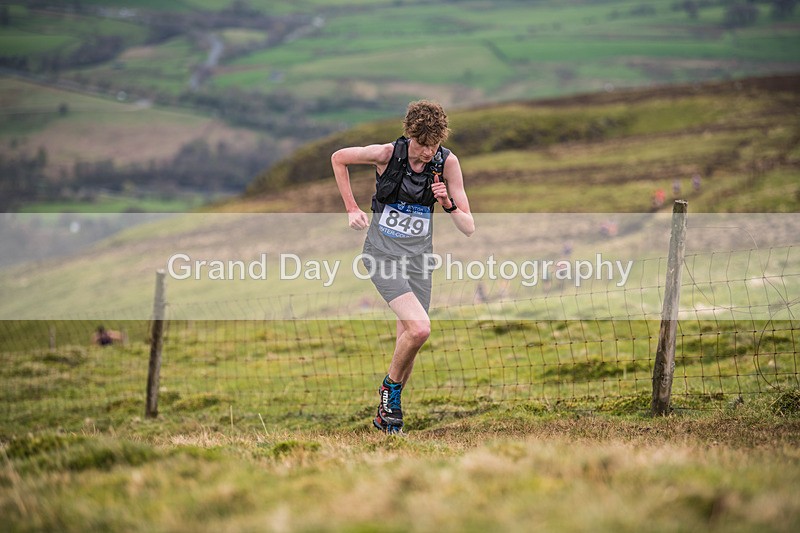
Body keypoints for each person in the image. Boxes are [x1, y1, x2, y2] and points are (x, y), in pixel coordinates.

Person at [331, 100, 475, 434]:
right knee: (420, 329)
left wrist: (447, 204)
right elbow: (339, 158)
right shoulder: (386, 154)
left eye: (434, 144)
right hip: (382, 256)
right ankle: (389, 391)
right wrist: (351, 208)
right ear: (410, 135)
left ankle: (387, 420)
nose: (428, 152)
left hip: (418, 261)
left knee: (408, 342)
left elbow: (469, 227)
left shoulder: (447, 163)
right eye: (422, 144)